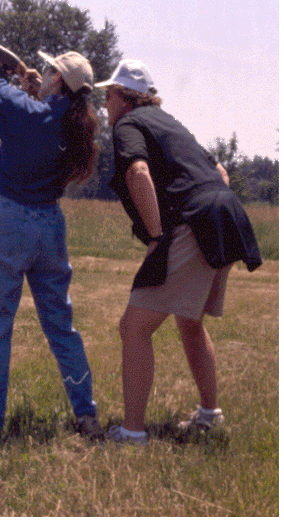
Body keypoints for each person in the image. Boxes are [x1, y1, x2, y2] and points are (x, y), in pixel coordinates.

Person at [0, 20, 103, 443]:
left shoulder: (27, 111)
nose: (42, 74)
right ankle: (86, 418)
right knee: (62, 329)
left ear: (57, 81)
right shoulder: (77, 127)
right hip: (51, 226)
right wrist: (34, 89)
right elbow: (40, 123)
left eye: (48, 73)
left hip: (11, 221)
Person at [95, 59, 262, 445]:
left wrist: (156, 235)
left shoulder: (128, 125)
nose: (105, 104)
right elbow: (220, 173)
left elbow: (138, 173)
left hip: (195, 219)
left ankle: (132, 433)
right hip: (227, 215)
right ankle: (209, 414)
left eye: (109, 95)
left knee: (134, 326)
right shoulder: (170, 122)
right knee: (190, 320)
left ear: (125, 98)